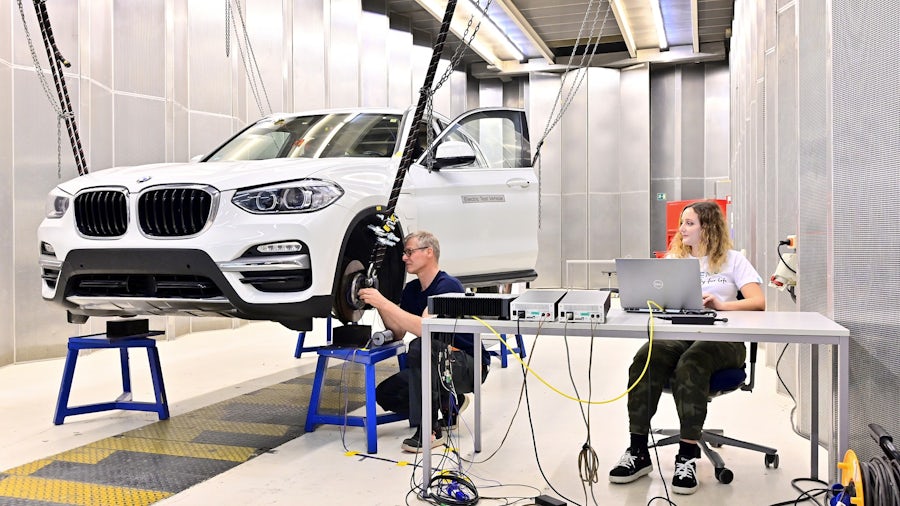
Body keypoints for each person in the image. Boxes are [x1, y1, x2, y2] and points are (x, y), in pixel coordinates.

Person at [608, 200, 765, 495]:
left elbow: (758, 302)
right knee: (645, 358)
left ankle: (687, 455)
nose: (681, 229)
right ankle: (638, 452)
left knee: (692, 363)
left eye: (689, 223)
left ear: (709, 227)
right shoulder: (673, 260)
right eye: (682, 223)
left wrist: (721, 305)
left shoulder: (733, 261)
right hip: (680, 334)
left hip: (723, 339)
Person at [358, 230, 490, 452]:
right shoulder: (411, 290)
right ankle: (451, 403)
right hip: (438, 363)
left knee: (420, 346)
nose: (404, 257)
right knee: (386, 394)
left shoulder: (448, 287)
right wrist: (380, 304)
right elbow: (398, 332)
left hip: (468, 365)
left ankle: (430, 430)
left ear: (429, 252)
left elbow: (423, 328)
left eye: (409, 252)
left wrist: (384, 302)